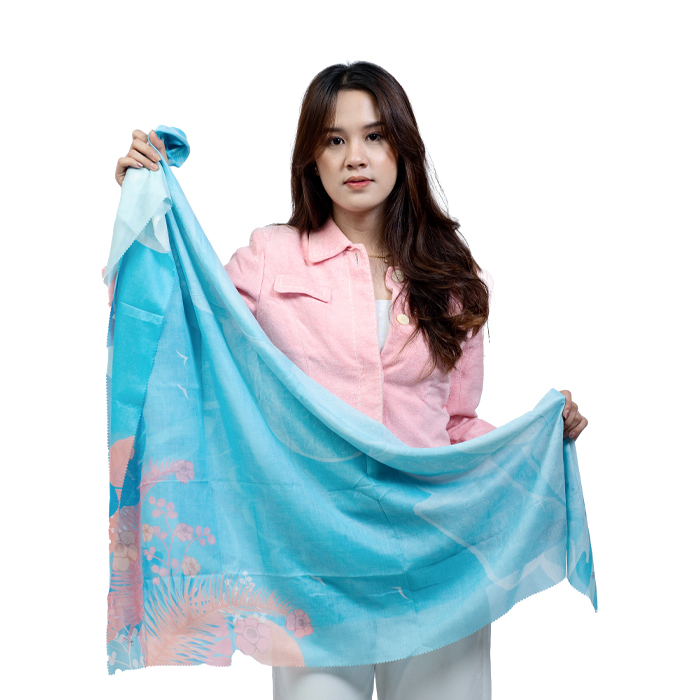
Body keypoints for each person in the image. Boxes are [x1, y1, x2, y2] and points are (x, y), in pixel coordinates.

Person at [113, 61, 588, 700]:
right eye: (334, 139)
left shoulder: (451, 274)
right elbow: (182, 335)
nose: (354, 157)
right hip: (313, 568)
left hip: (435, 563)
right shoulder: (270, 257)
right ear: (312, 158)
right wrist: (145, 209)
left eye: (374, 136)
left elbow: (454, 425)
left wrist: (536, 439)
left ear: (403, 149)